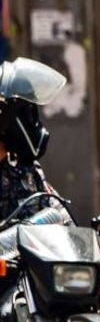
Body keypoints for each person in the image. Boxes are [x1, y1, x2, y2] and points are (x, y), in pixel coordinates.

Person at [0, 58, 67, 221]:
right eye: (25, 113)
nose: (33, 124)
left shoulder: (26, 170)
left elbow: (61, 218)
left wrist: (92, 240)